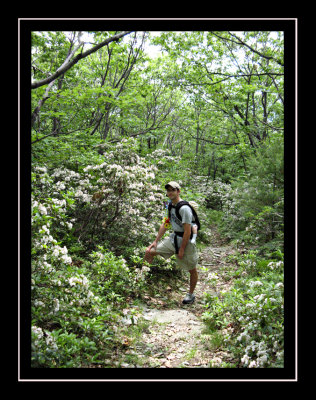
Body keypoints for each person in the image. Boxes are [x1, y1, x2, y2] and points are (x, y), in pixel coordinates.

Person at [144, 181, 199, 304]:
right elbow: (166, 223)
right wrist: (155, 241)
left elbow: (187, 232)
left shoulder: (184, 209)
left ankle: (190, 294)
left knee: (192, 269)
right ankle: (142, 281)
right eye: (168, 190)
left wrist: (182, 249)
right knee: (150, 251)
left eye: (173, 190)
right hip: (173, 238)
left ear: (178, 191)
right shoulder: (169, 205)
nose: (170, 192)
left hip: (186, 241)